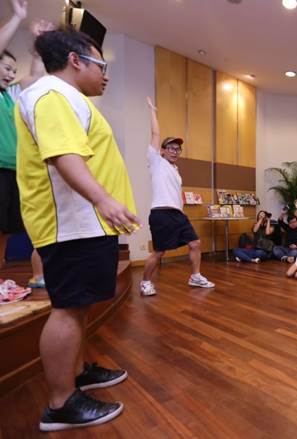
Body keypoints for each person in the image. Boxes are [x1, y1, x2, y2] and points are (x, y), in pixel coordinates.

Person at [16, 28, 140, 430]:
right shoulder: (52, 95)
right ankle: (60, 403)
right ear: (75, 61)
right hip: (73, 223)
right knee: (67, 308)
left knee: (78, 304)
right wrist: (103, 199)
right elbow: (64, 155)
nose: (105, 74)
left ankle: (76, 371)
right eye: (100, 65)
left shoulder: (60, 95)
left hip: (85, 223)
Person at [140, 98, 214, 296]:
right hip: (161, 214)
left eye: (177, 149)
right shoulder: (156, 161)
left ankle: (195, 276)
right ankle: (146, 282)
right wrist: (152, 111)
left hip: (178, 214)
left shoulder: (175, 170)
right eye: (170, 148)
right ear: (162, 151)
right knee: (159, 252)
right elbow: (155, 133)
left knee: (195, 243)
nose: (175, 151)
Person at [0, 5, 51, 287]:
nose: (11, 74)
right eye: (6, 68)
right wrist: (18, 17)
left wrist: (38, 46)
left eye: (13, 70)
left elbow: (37, 77)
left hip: (12, 171)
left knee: (6, 232)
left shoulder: (11, 95)